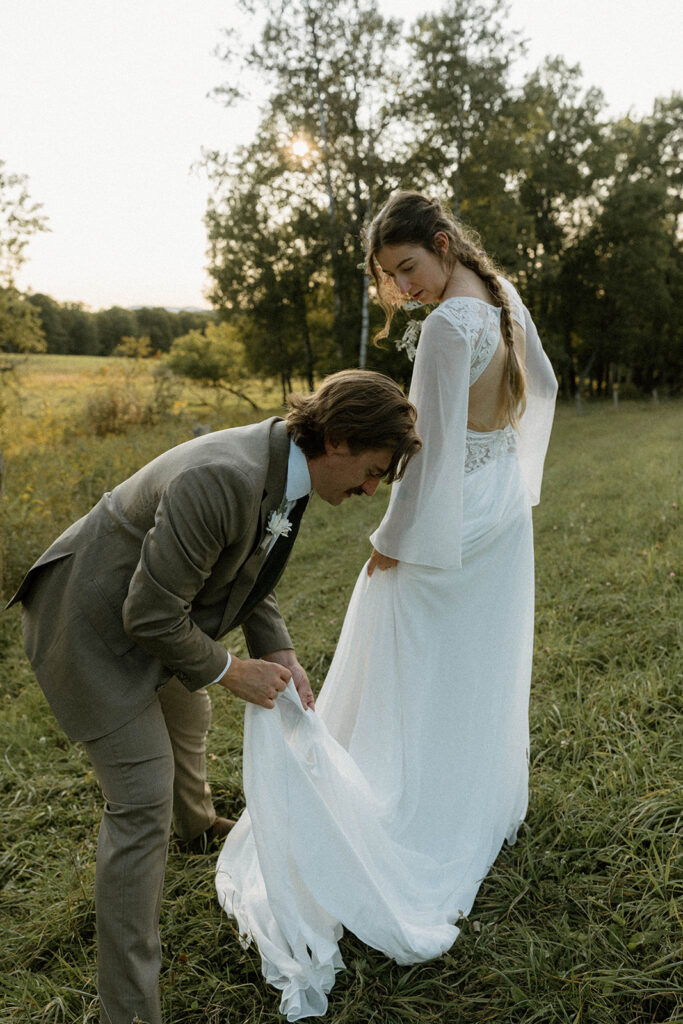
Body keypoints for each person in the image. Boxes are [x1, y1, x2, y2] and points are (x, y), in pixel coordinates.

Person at [215, 192, 558, 1020]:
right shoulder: (498, 293)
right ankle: (475, 798)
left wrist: (391, 538)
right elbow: (539, 384)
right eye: (389, 279)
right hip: (501, 505)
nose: (404, 291)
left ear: (441, 244)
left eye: (408, 268)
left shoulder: (448, 325)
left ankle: (408, 814)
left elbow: (427, 445)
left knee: (400, 644)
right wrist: (517, 472)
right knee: (471, 659)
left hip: (456, 513)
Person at [7, 368, 421, 1024]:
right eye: (372, 471)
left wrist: (277, 648)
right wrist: (233, 669)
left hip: (151, 615)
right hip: (85, 626)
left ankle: (196, 828)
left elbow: (252, 571)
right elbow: (147, 615)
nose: (371, 490)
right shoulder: (222, 477)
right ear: (338, 440)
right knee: (140, 801)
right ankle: (129, 1009)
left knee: (187, 709)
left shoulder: (289, 464)